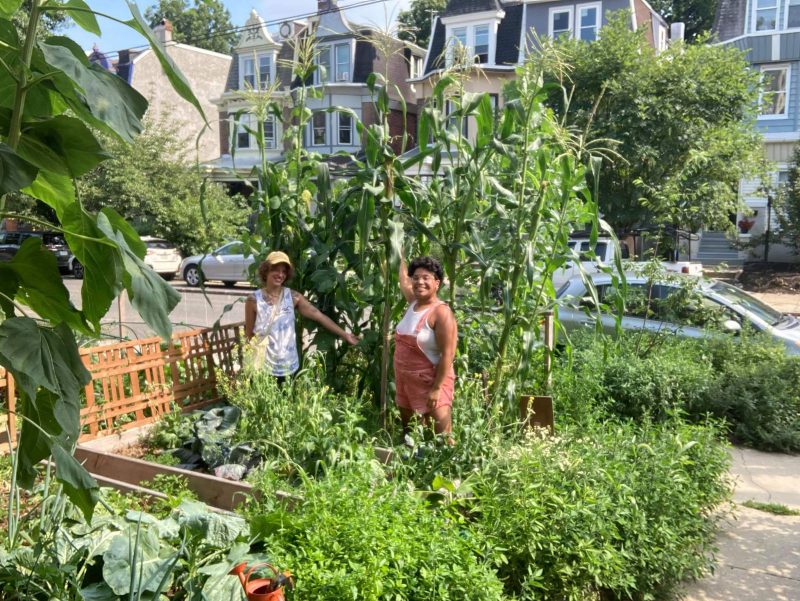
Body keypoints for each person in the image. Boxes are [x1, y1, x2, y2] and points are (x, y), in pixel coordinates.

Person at [244, 251, 359, 380]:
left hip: (288, 366)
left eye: (284, 271)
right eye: (275, 270)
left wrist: (345, 335)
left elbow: (318, 316)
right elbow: (249, 334)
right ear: (265, 271)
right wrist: (250, 363)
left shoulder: (293, 297)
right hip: (263, 366)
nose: (280, 274)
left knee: (286, 399)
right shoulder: (253, 300)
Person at [395, 255, 458, 439]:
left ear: (437, 283)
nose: (419, 282)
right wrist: (398, 250)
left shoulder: (441, 312)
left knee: (442, 438)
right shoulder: (413, 303)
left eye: (426, 278)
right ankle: (411, 466)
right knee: (410, 434)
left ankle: (451, 467)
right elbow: (403, 281)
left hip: (431, 382)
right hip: (405, 382)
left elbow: (448, 354)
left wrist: (437, 388)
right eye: (416, 278)